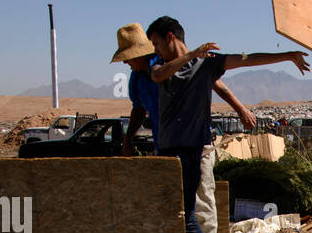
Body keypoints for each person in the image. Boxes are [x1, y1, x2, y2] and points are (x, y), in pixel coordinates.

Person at [145, 16, 310, 233]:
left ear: (170, 37)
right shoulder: (162, 66)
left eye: (157, 43)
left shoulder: (207, 65)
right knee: (173, 215)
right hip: (166, 152)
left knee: (185, 216)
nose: (156, 50)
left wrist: (287, 55)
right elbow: (159, 75)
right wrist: (194, 54)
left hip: (189, 153)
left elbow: (246, 59)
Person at [109, 23, 256, 156]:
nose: (125, 62)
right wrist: (127, 141)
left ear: (140, 55)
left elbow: (217, 84)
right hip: (165, 146)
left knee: (200, 184)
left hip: (194, 143)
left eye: (128, 57)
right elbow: (139, 110)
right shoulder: (136, 79)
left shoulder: (171, 62)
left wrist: (241, 110)